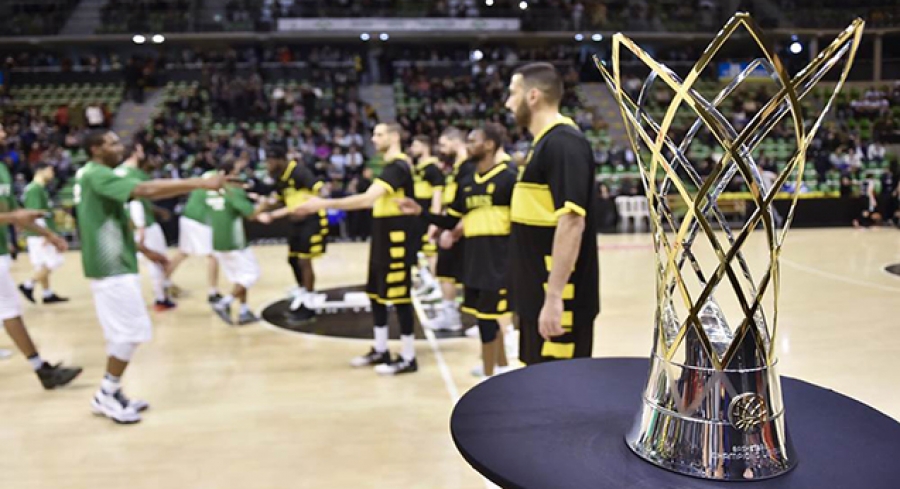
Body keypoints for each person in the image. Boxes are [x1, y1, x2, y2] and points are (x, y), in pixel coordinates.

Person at [76, 129, 228, 424]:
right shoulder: (98, 174)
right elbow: (145, 190)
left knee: (123, 333)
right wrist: (200, 183)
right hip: (111, 267)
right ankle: (105, 394)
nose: (119, 148)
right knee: (130, 333)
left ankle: (111, 391)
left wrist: (144, 250)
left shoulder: (92, 174)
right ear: (95, 149)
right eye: (112, 143)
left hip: (113, 262)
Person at [294, 123, 419, 376]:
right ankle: (381, 349)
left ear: (394, 137)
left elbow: (366, 199)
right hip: (382, 235)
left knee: (400, 297)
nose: (373, 138)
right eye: (373, 134)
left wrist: (323, 204)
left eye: (379, 134)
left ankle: (408, 356)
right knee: (376, 294)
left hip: (396, 238)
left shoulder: (398, 166)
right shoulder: (388, 166)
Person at [398, 124, 516, 378]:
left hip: (500, 258)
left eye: (474, 141)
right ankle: (502, 366)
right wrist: (420, 212)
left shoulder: (509, 177)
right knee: (485, 317)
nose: (468, 146)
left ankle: (489, 373)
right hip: (474, 257)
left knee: (489, 319)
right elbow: (451, 220)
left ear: (490, 145)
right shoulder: (468, 182)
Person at [504, 62, 600, 364]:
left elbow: (572, 222)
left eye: (513, 93)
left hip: (561, 300)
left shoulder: (563, 143)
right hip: (538, 295)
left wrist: (554, 297)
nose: (508, 103)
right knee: (537, 382)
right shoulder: (544, 143)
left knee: (559, 387)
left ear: (533, 96)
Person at [0, 122, 82, 386]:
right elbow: (14, 215)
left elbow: (16, 213)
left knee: (9, 309)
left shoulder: (3, 169)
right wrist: (15, 218)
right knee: (9, 309)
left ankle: (41, 369)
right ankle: (41, 370)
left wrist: (49, 234)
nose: (4, 133)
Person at [256, 146, 328, 324]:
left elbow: (322, 190)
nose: (268, 165)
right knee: (293, 260)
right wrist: (262, 205)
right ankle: (303, 292)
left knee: (304, 261)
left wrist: (311, 205)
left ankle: (309, 304)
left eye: (270, 161)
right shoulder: (280, 177)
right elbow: (280, 200)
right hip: (296, 223)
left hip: (312, 221)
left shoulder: (299, 171)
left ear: (280, 159)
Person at [117, 143, 177, 311]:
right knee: (158, 261)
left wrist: (157, 211)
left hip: (126, 225)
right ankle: (161, 298)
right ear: (135, 153)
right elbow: (140, 200)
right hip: (144, 225)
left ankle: (133, 299)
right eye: (141, 149)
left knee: (133, 264)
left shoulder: (115, 173)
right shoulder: (135, 174)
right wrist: (141, 226)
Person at [209, 159, 265, 326]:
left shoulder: (215, 189)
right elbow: (251, 214)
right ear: (230, 173)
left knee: (239, 278)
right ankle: (224, 303)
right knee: (252, 274)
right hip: (234, 241)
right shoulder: (234, 191)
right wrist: (264, 204)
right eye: (237, 170)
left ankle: (244, 311)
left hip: (218, 240)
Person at [431, 127, 475, 332]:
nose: (441, 149)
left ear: (455, 141)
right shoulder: (456, 167)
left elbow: (468, 202)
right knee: (446, 272)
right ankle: (452, 315)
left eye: (444, 144)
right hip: (452, 223)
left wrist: (455, 230)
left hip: (462, 227)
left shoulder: (468, 167)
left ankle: (469, 319)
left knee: (461, 273)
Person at [166, 171, 222, 304]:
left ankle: (163, 282)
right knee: (213, 255)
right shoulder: (217, 180)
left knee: (183, 252)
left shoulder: (207, 176)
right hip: (199, 220)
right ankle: (213, 292)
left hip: (188, 217)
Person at [19, 162, 68, 304]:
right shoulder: (35, 189)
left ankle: (47, 294)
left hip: (36, 234)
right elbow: (34, 214)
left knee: (41, 265)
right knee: (56, 260)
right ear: (40, 171)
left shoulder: (38, 189)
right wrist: (47, 234)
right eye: (50, 170)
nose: (52, 174)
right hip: (39, 233)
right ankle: (28, 285)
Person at [408, 134, 443, 298]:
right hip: (415, 215)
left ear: (425, 146)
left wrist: (434, 220)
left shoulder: (433, 168)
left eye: (415, 145)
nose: (412, 149)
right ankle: (427, 281)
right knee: (413, 250)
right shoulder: (417, 168)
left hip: (426, 214)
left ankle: (437, 285)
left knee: (430, 252)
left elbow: (437, 195)